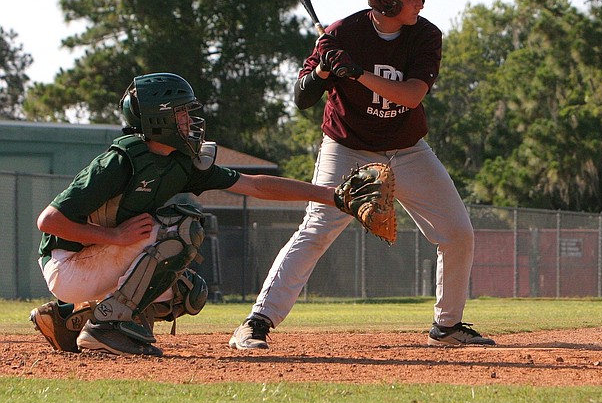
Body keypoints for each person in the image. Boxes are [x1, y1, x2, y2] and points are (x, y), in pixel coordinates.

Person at [229, 0, 495, 349]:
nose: (422, 2)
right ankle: (257, 322)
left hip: (408, 149)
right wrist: (323, 69)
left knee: (457, 232)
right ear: (387, 2)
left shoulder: (426, 36)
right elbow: (302, 98)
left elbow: (411, 95)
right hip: (348, 146)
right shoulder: (342, 34)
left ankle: (448, 327)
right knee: (317, 228)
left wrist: (356, 73)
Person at [30, 72, 370, 356]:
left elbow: (255, 185)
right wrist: (114, 237)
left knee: (187, 292)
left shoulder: (179, 162)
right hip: (67, 264)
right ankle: (106, 327)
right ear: (159, 117)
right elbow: (49, 221)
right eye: (181, 113)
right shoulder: (120, 162)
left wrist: (333, 196)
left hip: (97, 260)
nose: (190, 121)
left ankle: (67, 321)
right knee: (180, 230)